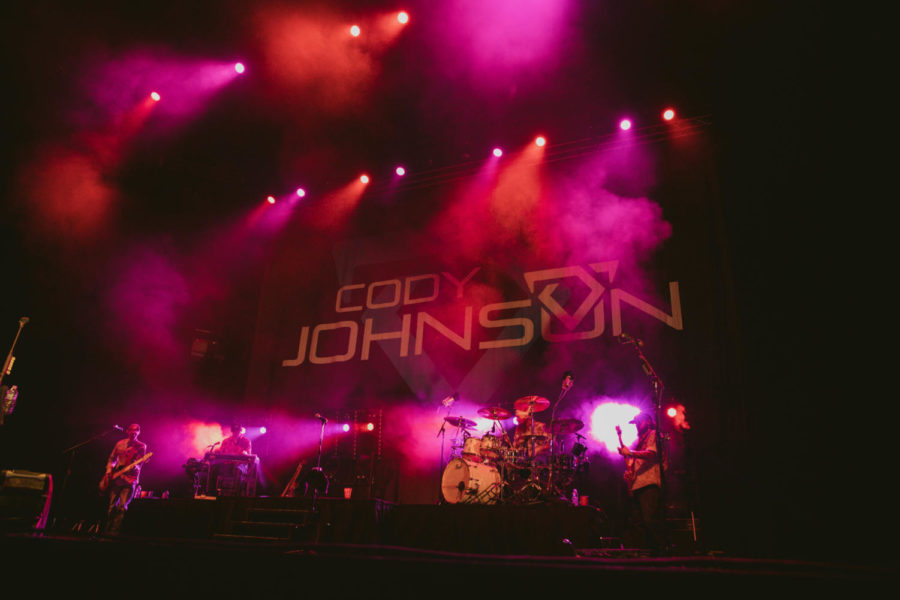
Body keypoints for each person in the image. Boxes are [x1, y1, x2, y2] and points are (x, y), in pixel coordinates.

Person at [618, 412, 667, 555]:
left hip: (650, 484)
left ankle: (662, 553)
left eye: (639, 421)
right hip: (638, 485)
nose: (637, 425)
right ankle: (648, 555)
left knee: (649, 521)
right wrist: (630, 474)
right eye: (636, 423)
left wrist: (631, 452)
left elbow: (653, 455)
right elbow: (636, 461)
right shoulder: (640, 440)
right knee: (639, 524)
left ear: (648, 421)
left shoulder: (654, 434)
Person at [102, 423, 147, 535]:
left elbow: (140, 463)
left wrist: (136, 466)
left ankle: (114, 533)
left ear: (139, 432)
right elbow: (112, 459)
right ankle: (105, 532)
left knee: (122, 507)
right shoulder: (120, 444)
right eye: (131, 430)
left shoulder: (141, 446)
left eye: (136, 430)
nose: (134, 432)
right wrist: (109, 471)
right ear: (127, 431)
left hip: (130, 479)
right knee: (111, 507)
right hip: (116, 478)